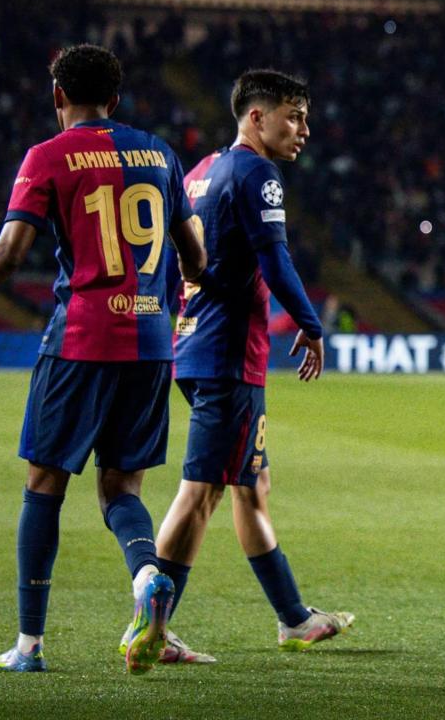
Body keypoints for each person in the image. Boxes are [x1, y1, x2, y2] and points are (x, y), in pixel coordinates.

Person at [0, 44, 207, 674]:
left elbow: (9, 255)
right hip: (151, 344)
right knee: (121, 488)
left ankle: (29, 647)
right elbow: (196, 259)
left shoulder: (48, 156)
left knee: (44, 486)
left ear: (58, 95)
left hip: (81, 341)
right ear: (115, 100)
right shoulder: (161, 154)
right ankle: (148, 576)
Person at [132, 69, 352, 663]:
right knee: (200, 490)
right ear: (256, 117)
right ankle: (148, 625)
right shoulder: (258, 172)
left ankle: (294, 618)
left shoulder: (203, 171)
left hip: (195, 343)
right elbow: (276, 262)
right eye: (293, 115)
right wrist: (311, 324)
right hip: (229, 351)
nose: (304, 128)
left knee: (250, 485)